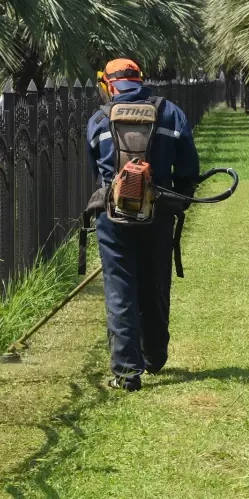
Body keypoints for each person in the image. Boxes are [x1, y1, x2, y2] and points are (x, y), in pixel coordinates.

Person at [85, 58, 200, 391]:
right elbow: (189, 166)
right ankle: (155, 357)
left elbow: (97, 168)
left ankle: (126, 372)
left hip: (114, 216)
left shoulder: (98, 120)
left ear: (108, 85)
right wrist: (178, 197)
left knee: (120, 289)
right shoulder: (170, 113)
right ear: (140, 80)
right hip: (158, 213)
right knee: (155, 282)